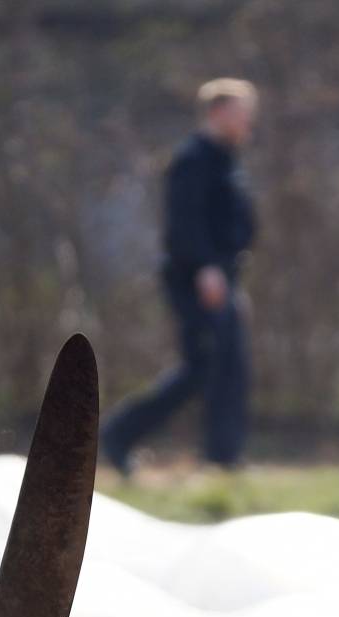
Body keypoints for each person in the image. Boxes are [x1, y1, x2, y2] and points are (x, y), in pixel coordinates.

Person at [100, 78, 258, 474]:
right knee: (202, 367)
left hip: (223, 276)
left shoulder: (226, 158)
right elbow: (184, 224)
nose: (248, 121)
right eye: (241, 112)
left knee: (227, 365)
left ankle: (224, 458)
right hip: (196, 279)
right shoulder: (194, 158)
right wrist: (206, 269)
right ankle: (119, 434)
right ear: (217, 112)